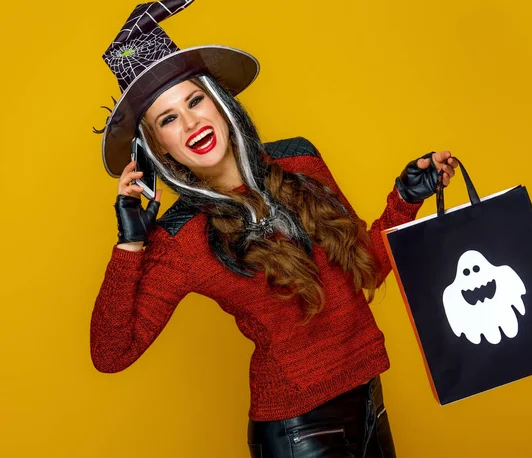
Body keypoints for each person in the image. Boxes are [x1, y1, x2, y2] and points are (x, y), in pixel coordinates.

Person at [91, 1, 457, 457]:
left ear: (219, 102)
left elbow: (363, 270)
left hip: (370, 404)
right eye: (168, 119)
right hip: (297, 432)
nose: (191, 123)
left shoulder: (301, 161)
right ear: (156, 150)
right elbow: (111, 353)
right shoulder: (181, 237)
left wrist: (406, 197)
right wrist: (130, 245)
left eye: (194, 100)